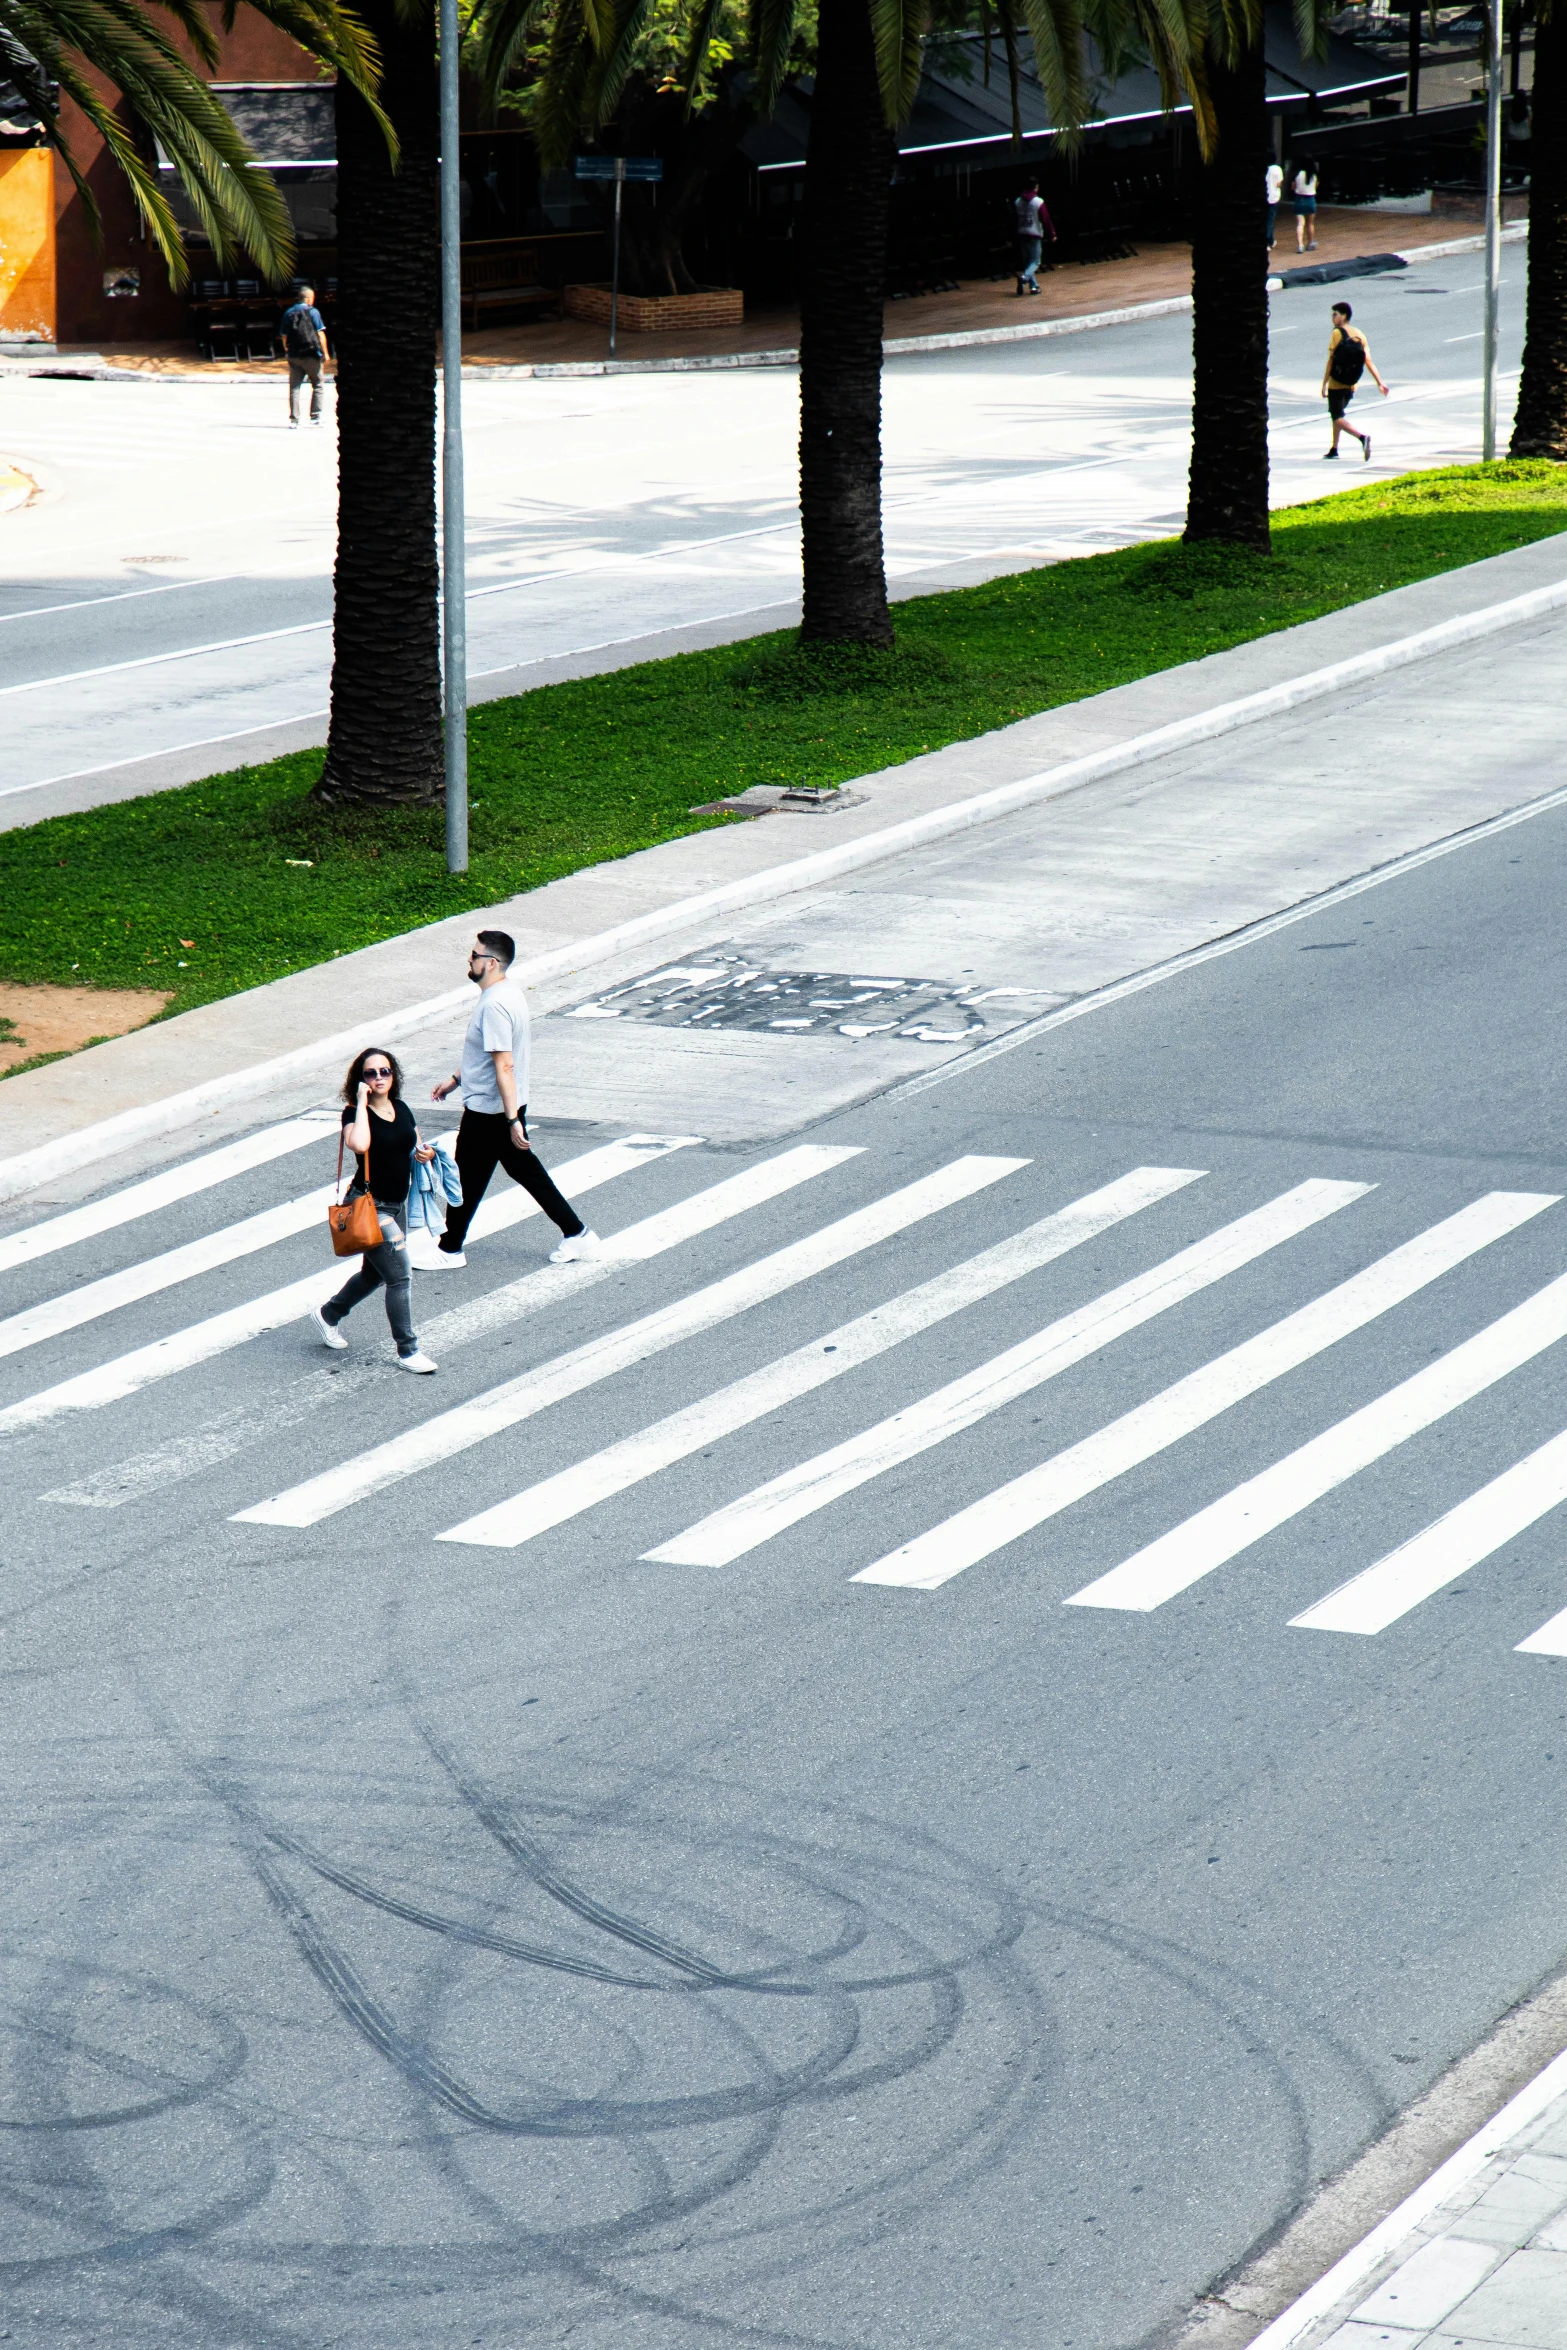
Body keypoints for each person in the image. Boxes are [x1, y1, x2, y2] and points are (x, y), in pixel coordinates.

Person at [429, 930, 599, 1268]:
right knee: (496, 1174)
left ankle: (449, 1249)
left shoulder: (493, 1005)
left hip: (491, 1110)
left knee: (470, 1178)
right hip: (500, 1106)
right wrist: (456, 1079)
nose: (470, 959)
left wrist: (511, 1120)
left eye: (475, 955)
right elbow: (485, 1056)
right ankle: (575, 1233)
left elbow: (503, 1064)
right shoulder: (507, 993)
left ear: (491, 963)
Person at [311, 1047, 439, 1371]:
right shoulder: (353, 1113)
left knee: (374, 1275)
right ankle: (408, 1351)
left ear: (393, 1075)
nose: (379, 1077)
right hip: (369, 1205)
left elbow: (415, 1144)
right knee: (400, 1277)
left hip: (396, 1205)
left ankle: (328, 1314)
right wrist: (363, 1102)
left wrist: (425, 1154)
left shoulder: (402, 1108)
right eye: (371, 1073)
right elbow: (360, 1145)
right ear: (361, 1079)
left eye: (385, 1071)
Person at [1320, 300, 1388, 460]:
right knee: (1338, 415)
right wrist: (1380, 382)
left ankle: (1362, 438)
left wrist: (1324, 383)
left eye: (1335, 314)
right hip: (1352, 383)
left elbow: (1331, 360)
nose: (1333, 317)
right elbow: (1368, 360)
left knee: (1336, 416)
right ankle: (1334, 448)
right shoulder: (1359, 334)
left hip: (1337, 383)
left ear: (1343, 317)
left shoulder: (1337, 333)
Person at [281, 284, 330, 429]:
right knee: (318, 384)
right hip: (311, 353)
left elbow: (283, 335)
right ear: (309, 299)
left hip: (294, 354)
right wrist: (325, 353)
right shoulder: (313, 312)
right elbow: (320, 334)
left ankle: (295, 420)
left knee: (294, 387)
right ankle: (315, 416)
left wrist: (286, 350)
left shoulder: (288, 312)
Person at [1014, 178, 1056, 297]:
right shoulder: (1038, 201)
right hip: (1034, 233)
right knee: (1036, 261)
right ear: (1035, 187)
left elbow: (1014, 219)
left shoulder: (1018, 201)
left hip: (1022, 232)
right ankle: (1024, 278)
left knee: (1028, 261)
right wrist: (1052, 233)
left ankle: (1034, 286)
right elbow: (1045, 219)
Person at [1292, 166, 1319, 253]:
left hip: (1299, 199)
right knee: (1310, 223)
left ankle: (1300, 245)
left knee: (1300, 223)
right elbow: (1316, 186)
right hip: (1310, 199)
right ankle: (1310, 243)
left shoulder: (1297, 174)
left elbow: (1293, 187)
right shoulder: (1313, 175)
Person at [1265, 159, 1283, 249]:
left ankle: (1271, 240)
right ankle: (1267, 242)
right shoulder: (1277, 169)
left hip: (1265, 196)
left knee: (1268, 220)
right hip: (1273, 197)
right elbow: (1278, 184)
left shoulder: (1265, 168)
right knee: (1270, 221)